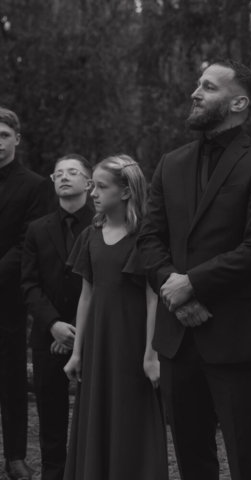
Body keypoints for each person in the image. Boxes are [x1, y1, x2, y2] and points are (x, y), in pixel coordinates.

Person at [137, 58, 251, 480]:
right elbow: (149, 239)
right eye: (196, 85)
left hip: (235, 336)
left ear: (238, 102)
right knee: (191, 457)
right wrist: (175, 290)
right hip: (177, 338)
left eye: (208, 86)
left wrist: (194, 285)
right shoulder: (171, 163)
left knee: (246, 458)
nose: (194, 92)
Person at [63, 155, 168, 480]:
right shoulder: (91, 234)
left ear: (125, 192)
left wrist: (151, 356)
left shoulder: (145, 238)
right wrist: (78, 352)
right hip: (97, 341)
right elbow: (86, 296)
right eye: (92, 184)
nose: (93, 192)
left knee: (129, 417)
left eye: (101, 186)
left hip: (132, 341)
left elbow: (154, 300)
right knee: (97, 414)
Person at [21, 154, 94, 480]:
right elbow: (29, 284)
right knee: (50, 415)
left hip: (94, 334)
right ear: (52, 181)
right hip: (47, 335)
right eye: (59, 173)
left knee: (94, 413)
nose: (65, 177)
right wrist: (53, 325)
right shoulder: (37, 229)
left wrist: (81, 331)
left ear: (89, 183)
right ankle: (54, 474)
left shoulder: (104, 224)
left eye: (73, 172)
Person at [0, 107, 47, 480]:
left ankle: (14, 458)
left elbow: (25, 243)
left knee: (11, 378)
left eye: (3, 135)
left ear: (17, 138)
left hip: (6, 299)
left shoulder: (33, 185)